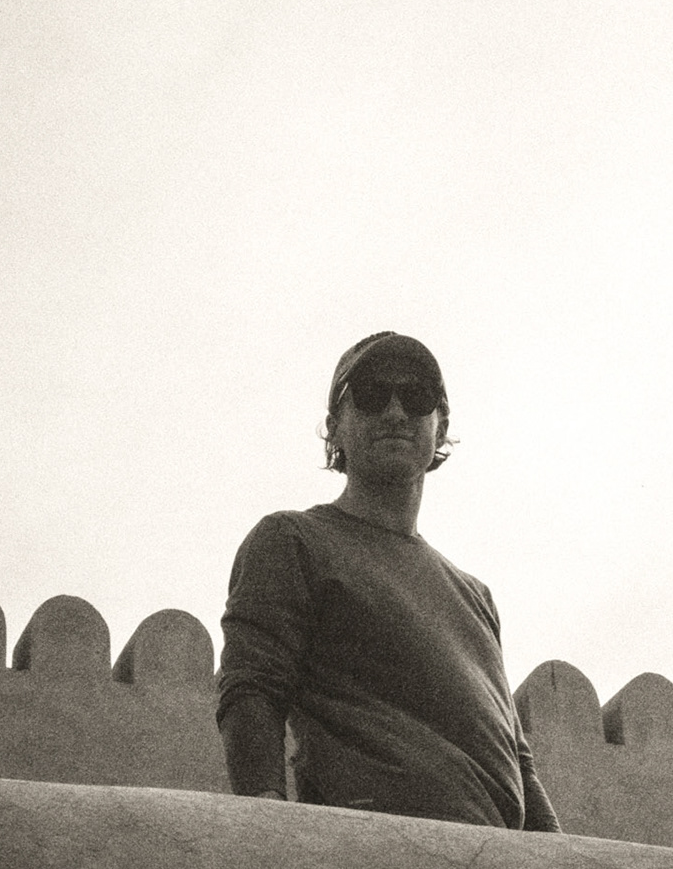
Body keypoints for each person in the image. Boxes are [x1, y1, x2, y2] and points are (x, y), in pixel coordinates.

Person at [216, 331, 561, 832]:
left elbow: (517, 761)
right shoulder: (293, 541)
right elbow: (252, 688)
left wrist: (559, 861)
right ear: (334, 428)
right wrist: (269, 828)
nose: (396, 412)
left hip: (496, 866)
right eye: (372, 394)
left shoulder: (476, 596)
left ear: (441, 428)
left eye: (417, 396)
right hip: (377, 855)